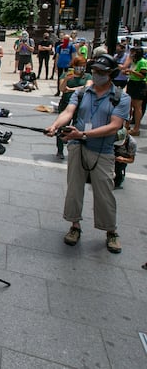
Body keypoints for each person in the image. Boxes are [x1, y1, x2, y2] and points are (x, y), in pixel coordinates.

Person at [45, 54, 130, 254]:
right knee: (74, 189)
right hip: (78, 147)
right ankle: (75, 226)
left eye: (102, 72)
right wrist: (55, 125)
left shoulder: (121, 97)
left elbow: (114, 126)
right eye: (95, 71)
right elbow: (68, 112)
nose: (97, 75)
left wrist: (82, 134)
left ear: (110, 74)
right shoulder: (83, 93)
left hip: (103, 149)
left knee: (105, 192)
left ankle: (111, 231)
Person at [55, 56, 91, 159]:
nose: (81, 68)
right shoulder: (66, 74)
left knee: (78, 128)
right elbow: (62, 88)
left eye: (83, 66)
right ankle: (60, 150)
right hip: (66, 104)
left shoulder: (87, 76)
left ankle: (76, 150)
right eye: (79, 66)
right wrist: (66, 80)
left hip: (81, 106)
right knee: (62, 127)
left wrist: (70, 89)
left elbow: (87, 87)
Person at [124, 46, 146, 136]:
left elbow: (142, 75)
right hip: (131, 83)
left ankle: (136, 128)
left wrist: (131, 72)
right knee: (129, 106)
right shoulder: (134, 62)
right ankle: (126, 126)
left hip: (139, 85)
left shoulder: (143, 62)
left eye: (133, 53)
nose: (131, 54)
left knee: (137, 107)